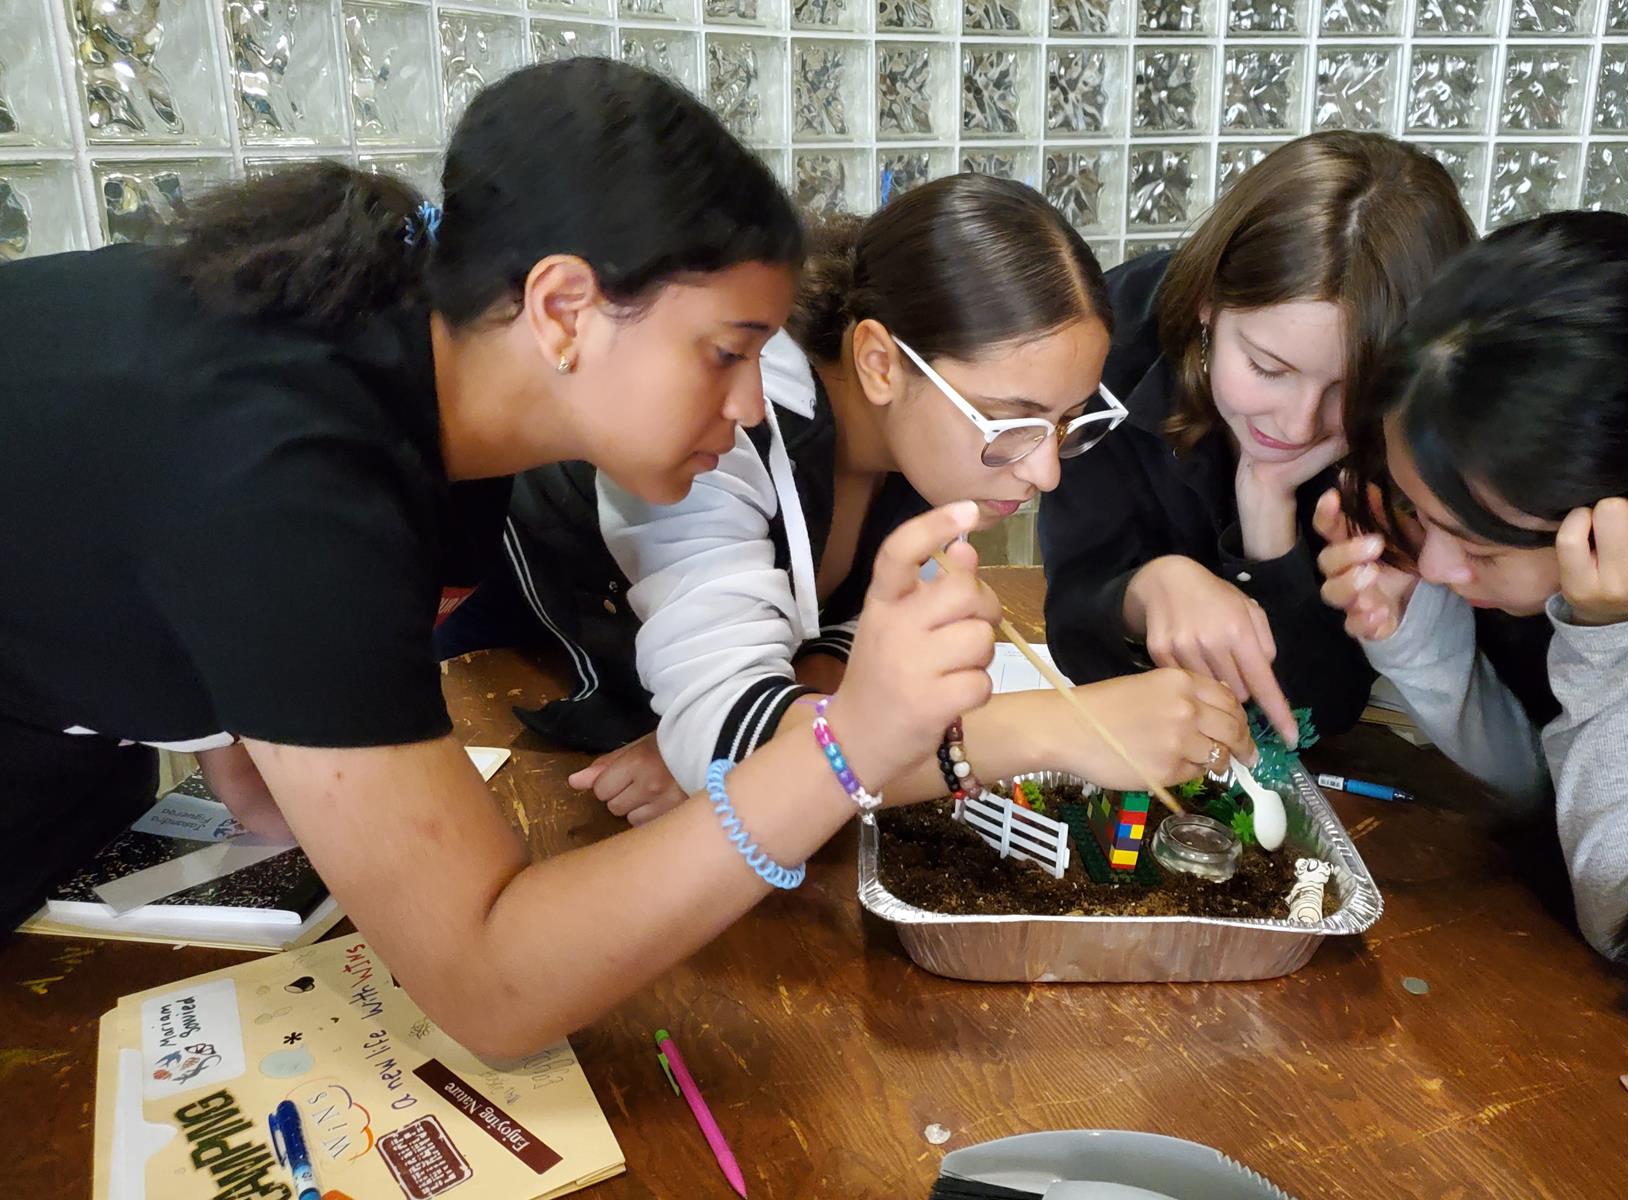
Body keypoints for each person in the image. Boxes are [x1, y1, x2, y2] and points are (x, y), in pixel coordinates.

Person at [0, 59, 1011, 1060]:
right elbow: (492, 990)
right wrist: (850, 748)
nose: (750, 408)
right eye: (726, 351)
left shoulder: (411, 385)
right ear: (563, 309)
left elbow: (236, 668)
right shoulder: (288, 466)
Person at [466, 173, 1257, 823]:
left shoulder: (928, 454)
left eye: (1069, 421)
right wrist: (1052, 729)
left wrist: (782, 714)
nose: (1047, 473)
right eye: (1010, 422)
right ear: (880, 362)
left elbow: (789, 691)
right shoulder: (721, 422)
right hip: (506, 698)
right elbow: (729, 745)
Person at [1316, 210, 1628, 1069]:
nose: (1436, 564)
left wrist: (1624, 636)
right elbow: (1551, 788)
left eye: (1479, 546)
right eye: (1415, 513)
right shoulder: (1509, 509)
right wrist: (1415, 634)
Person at [1038, 131, 1475, 746]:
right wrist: (1146, 591)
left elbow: (1314, 716)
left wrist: (1267, 513)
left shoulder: (1413, 414)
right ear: (1208, 304)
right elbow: (1077, 632)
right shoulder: (1115, 346)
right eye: (1269, 368)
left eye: (1348, 391)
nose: (1298, 426)